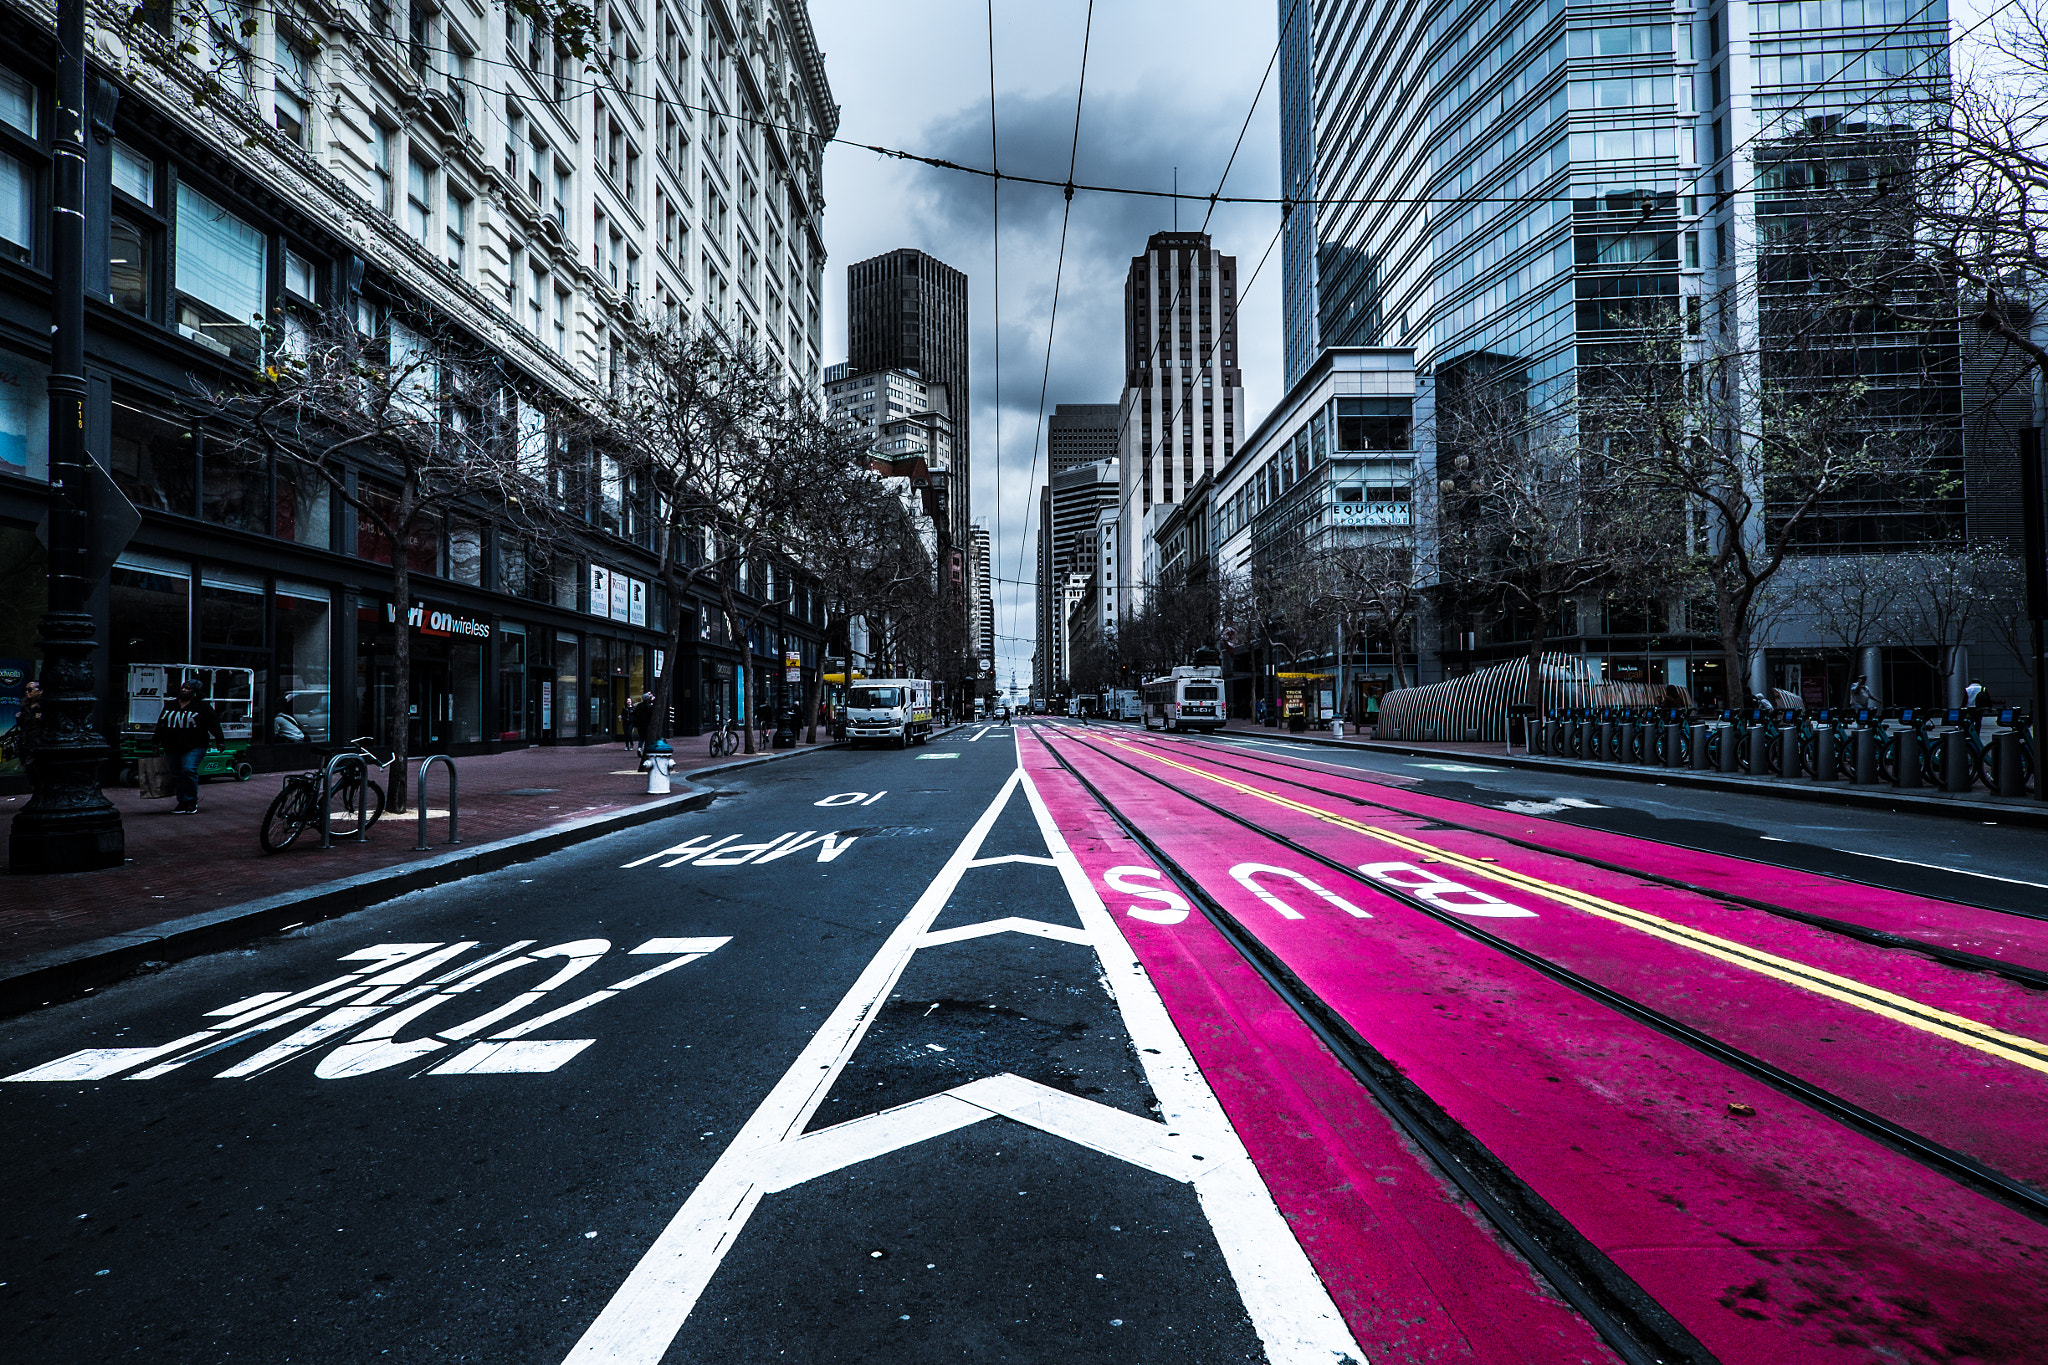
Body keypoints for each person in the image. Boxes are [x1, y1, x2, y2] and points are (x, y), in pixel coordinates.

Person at [154, 681, 224, 815]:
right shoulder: (171, 705)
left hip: (195, 746)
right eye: (183, 688)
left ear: (195, 692)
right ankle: (182, 802)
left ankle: (191, 801)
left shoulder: (203, 707)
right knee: (177, 774)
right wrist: (155, 742)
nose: (184, 690)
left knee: (188, 769)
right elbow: (161, 724)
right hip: (172, 746)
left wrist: (220, 740)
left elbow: (214, 724)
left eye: (188, 689)